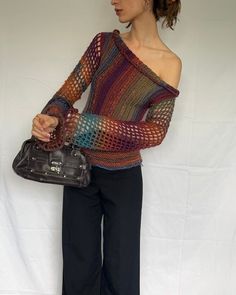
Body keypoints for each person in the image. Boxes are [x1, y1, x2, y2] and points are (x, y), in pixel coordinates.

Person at [31, 0, 182, 294]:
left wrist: (89, 126)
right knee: (79, 266)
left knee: (122, 270)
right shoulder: (104, 44)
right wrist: (50, 117)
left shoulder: (170, 63)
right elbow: (67, 93)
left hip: (124, 178)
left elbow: (155, 132)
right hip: (80, 171)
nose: (113, 0)